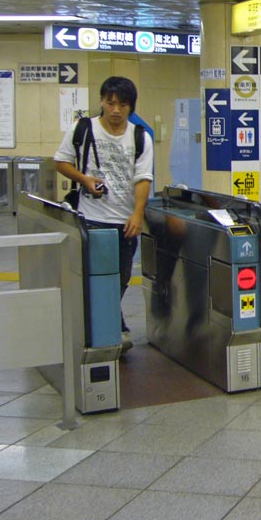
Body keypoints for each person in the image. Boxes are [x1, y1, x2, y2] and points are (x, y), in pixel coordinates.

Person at [54, 77, 154, 354]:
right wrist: (84, 179)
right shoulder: (83, 129)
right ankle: (109, 333)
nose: (115, 110)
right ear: (102, 101)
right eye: (110, 103)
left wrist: (137, 214)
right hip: (91, 217)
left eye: (122, 105)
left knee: (120, 278)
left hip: (124, 222)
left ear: (131, 107)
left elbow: (143, 178)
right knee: (97, 278)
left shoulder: (140, 137)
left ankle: (112, 327)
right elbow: (60, 161)